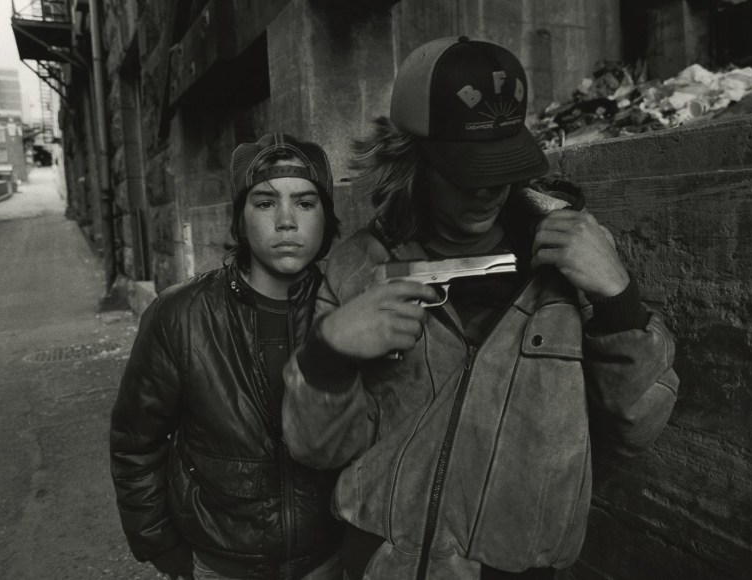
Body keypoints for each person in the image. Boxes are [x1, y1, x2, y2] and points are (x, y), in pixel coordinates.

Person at [281, 36, 679, 579]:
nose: (489, 189)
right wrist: (327, 354)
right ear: (411, 158)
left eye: (504, 162)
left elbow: (634, 434)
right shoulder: (358, 268)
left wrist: (618, 302)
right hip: (383, 564)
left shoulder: (577, 261)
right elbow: (319, 452)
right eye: (467, 168)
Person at [110, 133, 344, 580]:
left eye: (306, 203)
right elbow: (135, 443)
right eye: (264, 203)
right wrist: (162, 546)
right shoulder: (180, 315)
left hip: (331, 561)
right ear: (240, 218)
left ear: (326, 217)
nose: (286, 221)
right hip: (223, 563)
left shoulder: (349, 305)